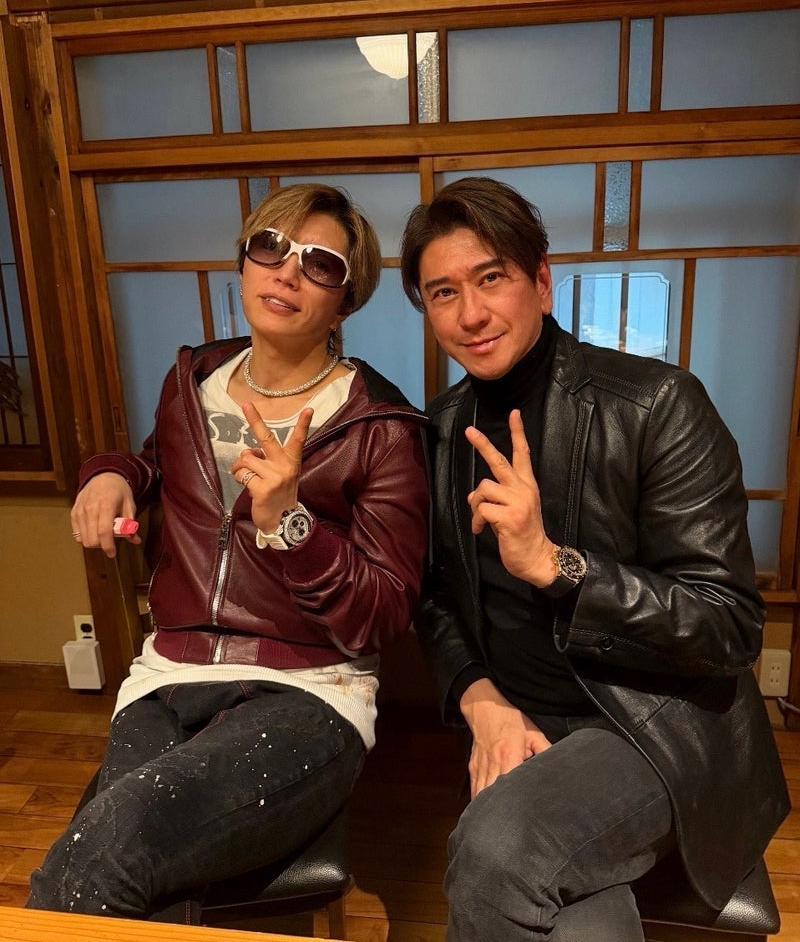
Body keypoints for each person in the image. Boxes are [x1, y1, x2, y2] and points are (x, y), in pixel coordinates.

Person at [399, 175, 789, 942]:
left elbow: (728, 627)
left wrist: (558, 564)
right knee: (558, 906)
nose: (470, 313)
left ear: (541, 281)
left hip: (653, 726)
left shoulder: (658, 404)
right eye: (443, 292)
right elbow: (435, 596)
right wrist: (480, 699)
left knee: (496, 850)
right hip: (520, 721)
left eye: (491, 278)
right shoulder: (440, 430)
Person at [27, 182, 429, 921]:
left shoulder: (380, 425)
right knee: (122, 873)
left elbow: (382, 612)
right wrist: (113, 472)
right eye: (271, 247)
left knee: (99, 858)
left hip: (307, 690)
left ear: (345, 300)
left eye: (320, 264)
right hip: (166, 676)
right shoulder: (193, 381)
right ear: (244, 262)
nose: (287, 271)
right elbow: (160, 462)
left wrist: (290, 522)